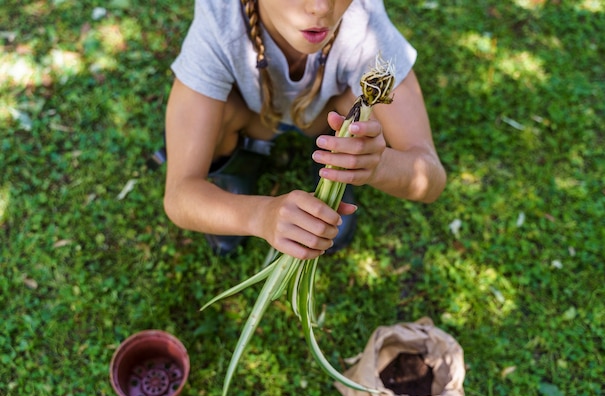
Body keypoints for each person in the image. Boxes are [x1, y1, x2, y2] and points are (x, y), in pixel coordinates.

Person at [163, 0, 446, 260]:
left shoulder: (365, 25)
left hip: (325, 117)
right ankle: (238, 170)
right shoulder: (220, 17)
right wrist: (258, 215)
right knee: (210, 109)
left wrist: (376, 164)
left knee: (365, 100)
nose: (321, 8)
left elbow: (430, 176)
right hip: (252, 117)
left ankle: (334, 167)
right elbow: (180, 194)